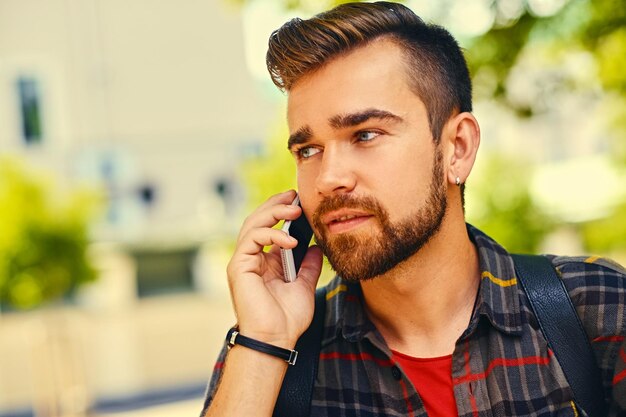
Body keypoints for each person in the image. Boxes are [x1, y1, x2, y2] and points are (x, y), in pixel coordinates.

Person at [201, 2, 626, 416]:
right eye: (308, 149)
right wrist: (265, 342)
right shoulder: (272, 351)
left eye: (365, 135)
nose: (328, 178)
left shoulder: (598, 307)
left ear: (456, 148)